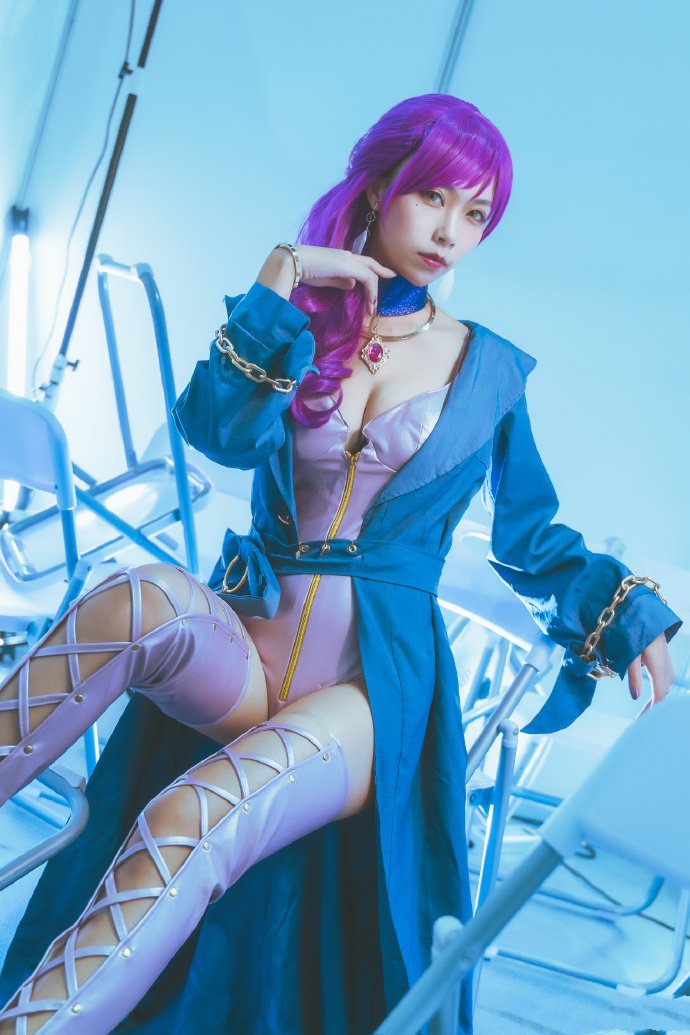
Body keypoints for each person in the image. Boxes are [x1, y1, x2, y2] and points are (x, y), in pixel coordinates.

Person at [0, 93, 681, 1035]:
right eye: (433, 196)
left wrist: (627, 612)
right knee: (131, 596)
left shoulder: (487, 371)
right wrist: (278, 283)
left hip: (368, 691)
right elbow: (215, 433)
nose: (449, 231)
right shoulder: (298, 325)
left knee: (190, 815)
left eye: (476, 212)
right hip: (245, 647)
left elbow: (530, 538)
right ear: (380, 186)